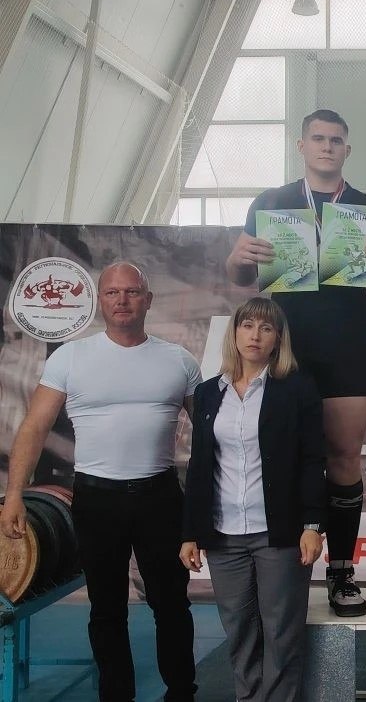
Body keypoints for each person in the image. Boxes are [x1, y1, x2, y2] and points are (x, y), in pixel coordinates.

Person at [226, 109, 366, 617]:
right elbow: (240, 277)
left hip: (346, 347)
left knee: (344, 458)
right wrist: (239, 255)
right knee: (281, 457)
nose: (327, 146)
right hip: (284, 347)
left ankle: (342, 572)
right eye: (319, 139)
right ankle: (283, 571)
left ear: (348, 149)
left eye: (336, 140)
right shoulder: (271, 203)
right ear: (301, 146)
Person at [0, 262, 200, 702]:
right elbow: (33, 427)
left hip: (160, 498)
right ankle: (116, 696)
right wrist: (14, 494)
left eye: (132, 292)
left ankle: (182, 692)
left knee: (171, 604)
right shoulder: (70, 358)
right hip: (96, 500)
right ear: (99, 300)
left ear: (148, 300)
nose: (122, 300)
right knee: (107, 609)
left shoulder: (179, 360)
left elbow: (211, 432)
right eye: (112, 292)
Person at [180, 297, 325, 702]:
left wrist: (313, 525)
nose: (255, 335)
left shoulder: (297, 388)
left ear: (278, 338)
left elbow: (313, 460)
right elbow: (199, 465)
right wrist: (190, 532)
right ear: (235, 333)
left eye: (265, 328)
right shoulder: (208, 393)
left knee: (281, 633)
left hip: (279, 533)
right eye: (247, 326)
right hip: (223, 536)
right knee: (239, 631)